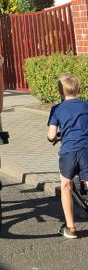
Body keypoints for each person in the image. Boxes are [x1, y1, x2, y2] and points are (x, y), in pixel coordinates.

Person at [47, 73, 88, 239]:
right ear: (78, 88)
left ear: (61, 92)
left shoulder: (57, 109)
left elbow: (51, 135)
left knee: (66, 185)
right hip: (86, 150)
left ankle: (71, 228)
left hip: (68, 152)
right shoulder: (86, 105)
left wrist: (56, 137)